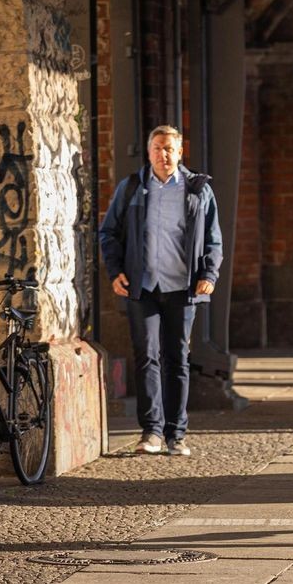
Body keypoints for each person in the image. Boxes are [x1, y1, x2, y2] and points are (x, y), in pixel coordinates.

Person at [98, 125, 223, 457]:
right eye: (157, 148)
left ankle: (176, 434)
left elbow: (213, 239)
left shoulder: (197, 190)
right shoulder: (132, 188)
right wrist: (115, 271)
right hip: (144, 287)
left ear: (180, 152)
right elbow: (108, 232)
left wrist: (209, 274)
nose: (162, 154)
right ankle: (151, 431)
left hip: (182, 287)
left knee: (177, 358)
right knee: (147, 356)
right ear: (149, 151)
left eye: (169, 148)